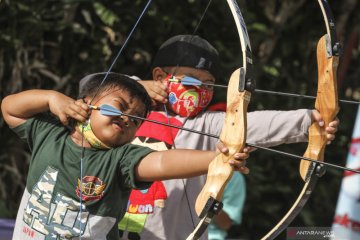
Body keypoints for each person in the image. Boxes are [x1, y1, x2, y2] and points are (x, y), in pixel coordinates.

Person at [76, 35, 338, 240]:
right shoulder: (129, 112)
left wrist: (311, 120)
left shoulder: (208, 123)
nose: (201, 89)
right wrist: (137, 86)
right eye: (192, 79)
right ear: (159, 77)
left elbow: (255, 125)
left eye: (209, 83)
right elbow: (91, 86)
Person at [0, 73, 250, 240]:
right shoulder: (50, 133)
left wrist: (216, 159)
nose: (127, 118)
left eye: (136, 119)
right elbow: (9, 108)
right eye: (119, 106)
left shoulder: (120, 159)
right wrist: (51, 98)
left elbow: (161, 162)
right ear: (84, 103)